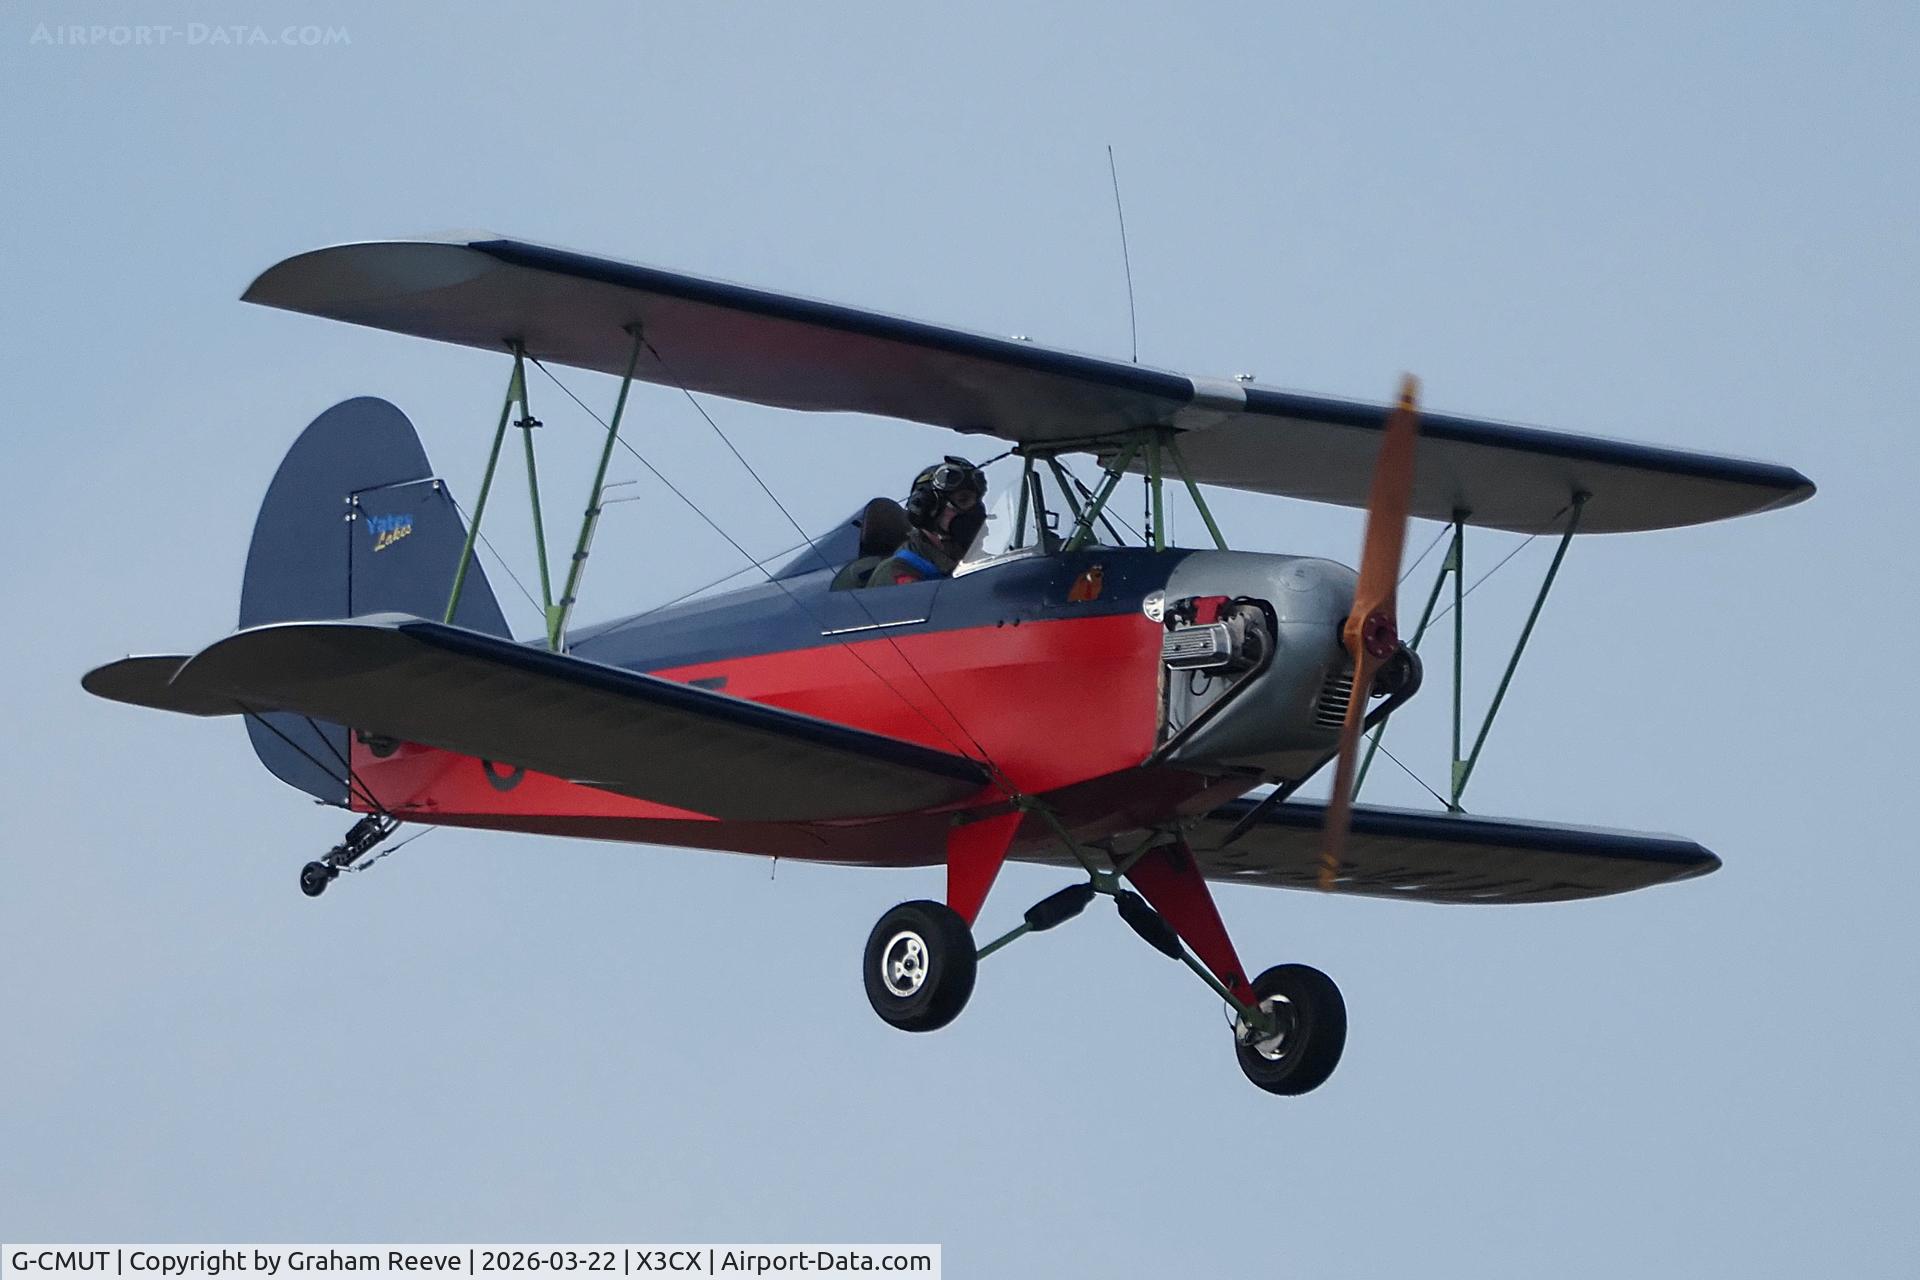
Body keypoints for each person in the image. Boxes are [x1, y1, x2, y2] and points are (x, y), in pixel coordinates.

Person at [866, 456, 988, 587]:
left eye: (978, 501)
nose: (976, 511)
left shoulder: (988, 564)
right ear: (929, 508)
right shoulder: (899, 571)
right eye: (963, 501)